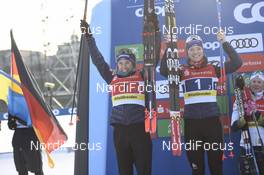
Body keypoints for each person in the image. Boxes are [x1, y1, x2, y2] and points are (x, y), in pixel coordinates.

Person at [80, 16, 160, 175]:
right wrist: (89, 36)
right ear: (117, 64)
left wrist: (155, 32)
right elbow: (97, 59)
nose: (124, 65)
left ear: (133, 64)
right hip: (120, 132)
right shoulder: (111, 76)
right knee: (124, 171)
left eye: (127, 62)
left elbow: (154, 56)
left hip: (139, 130)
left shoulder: (142, 74)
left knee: (144, 170)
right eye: (121, 63)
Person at [160, 32, 242, 175]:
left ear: (203, 50)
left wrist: (224, 42)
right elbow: (163, 70)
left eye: (198, 48)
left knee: (216, 166)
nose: (195, 52)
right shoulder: (181, 71)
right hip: (192, 126)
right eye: (192, 49)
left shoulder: (214, 69)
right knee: (196, 167)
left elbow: (237, 63)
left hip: (212, 125)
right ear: (187, 52)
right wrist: (168, 47)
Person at [231, 72, 264, 174]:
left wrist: (258, 117)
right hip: (246, 146)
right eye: (254, 81)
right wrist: (240, 123)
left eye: (259, 82)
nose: (256, 84)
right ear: (249, 83)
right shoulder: (240, 100)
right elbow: (234, 126)